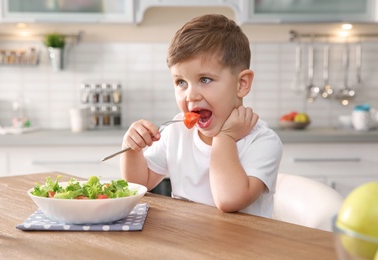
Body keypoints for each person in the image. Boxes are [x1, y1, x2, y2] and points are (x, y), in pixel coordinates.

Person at [120, 14, 283, 218]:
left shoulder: (262, 141)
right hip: (188, 241)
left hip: (243, 247)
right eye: (181, 82)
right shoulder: (176, 130)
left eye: (205, 79)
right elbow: (139, 184)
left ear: (242, 84)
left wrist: (225, 138)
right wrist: (132, 149)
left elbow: (229, 200)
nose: (191, 95)